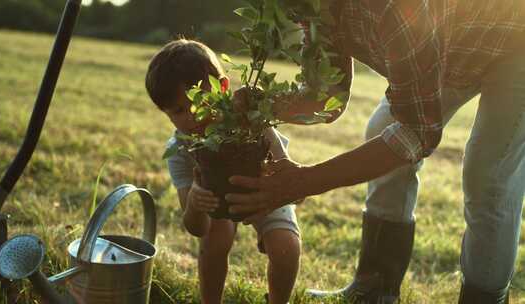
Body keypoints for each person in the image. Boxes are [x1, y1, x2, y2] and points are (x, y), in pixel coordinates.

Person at [225, 1, 525, 303]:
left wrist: (303, 182)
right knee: (382, 126)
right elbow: (326, 95)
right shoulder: (312, 7)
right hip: (459, 44)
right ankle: (376, 288)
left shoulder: (392, 7)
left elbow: (417, 133)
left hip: (517, 40)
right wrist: (262, 106)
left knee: (489, 177)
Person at [144, 39, 302, 304]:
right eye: (178, 111)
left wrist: (279, 185)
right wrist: (195, 202)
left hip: (265, 191)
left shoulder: (249, 120)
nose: (192, 117)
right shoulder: (182, 150)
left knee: (286, 245)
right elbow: (194, 227)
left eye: (200, 101)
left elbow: (285, 172)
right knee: (213, 240)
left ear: (223, 88)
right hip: (219, 203)